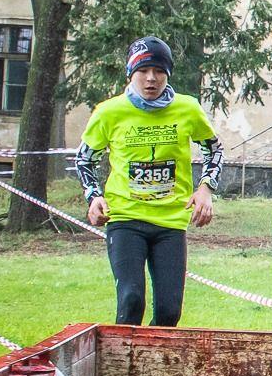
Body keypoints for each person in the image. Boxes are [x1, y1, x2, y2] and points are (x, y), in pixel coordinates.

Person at [73, 36, 223, 327]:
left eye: (159, 71)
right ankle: (121, 367)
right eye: (143, 71)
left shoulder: (187, 108)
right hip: (125, 218)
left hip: (170, 222)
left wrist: (205, 188)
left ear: (168, 74)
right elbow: (84, 159)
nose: (151, 79)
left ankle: (152, 366)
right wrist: (94, 196)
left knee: (169, 312)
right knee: (131, 300)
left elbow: (214, 149)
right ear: (131, 74)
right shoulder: (109, 112)